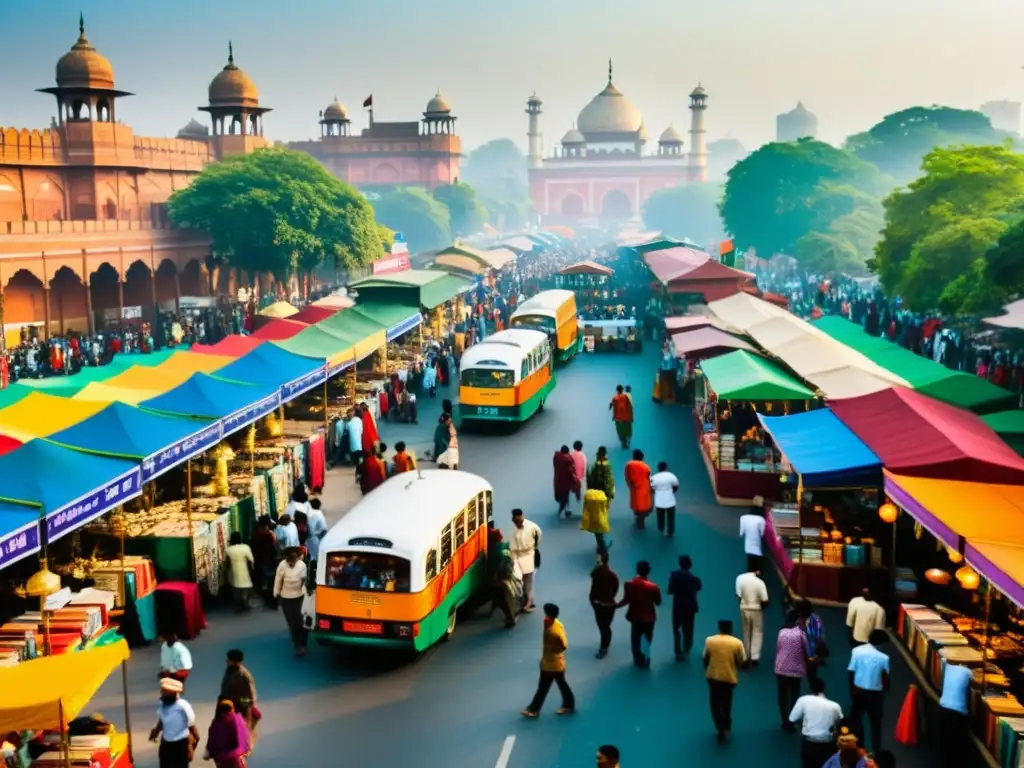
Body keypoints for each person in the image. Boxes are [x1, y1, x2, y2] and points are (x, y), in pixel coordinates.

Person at [521, 603, 576, 718]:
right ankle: (569, 705)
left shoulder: (554, 631)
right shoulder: (552, 623)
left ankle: (533, 710)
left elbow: (564, 645)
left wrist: (554, 650)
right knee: (561, 684)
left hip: (552, 664)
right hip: (551, 662)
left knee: (543, 687)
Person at [703, 619, 746, 744]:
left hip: (713, 677)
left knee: (714, 704)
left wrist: (708, 668)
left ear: (719, 628)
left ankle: (720, 726)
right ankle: (727, 725)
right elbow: (741, 660)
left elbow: (705, 657)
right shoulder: (737, 643)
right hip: (729, 677)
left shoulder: (710, 641)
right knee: (727, 703)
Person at [847, 628, 890, 752]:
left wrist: (852, 690)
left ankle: (859, 747)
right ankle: (876, 750)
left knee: (856, 721)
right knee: (876, 724)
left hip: (858, 692)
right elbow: (885, 676)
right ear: (881, 643)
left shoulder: (856, 651)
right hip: (875, 695)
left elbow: (851, 671)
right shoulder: (884, 658)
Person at [617, 560, 662, 668]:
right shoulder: (653, 587)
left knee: (635, 638)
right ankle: (646, 659)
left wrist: (614, 606)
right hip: (649, 618)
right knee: (646, 639)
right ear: (648, 572)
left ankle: (638, 660)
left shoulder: (629, 584)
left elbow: (626, 600)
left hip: (635, 617)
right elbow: (658, 602)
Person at [789, 677, 843, 768]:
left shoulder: (803, 700)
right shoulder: (835, 706)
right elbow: (839, 721)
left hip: (809, 741)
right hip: (828, 742)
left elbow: (792, 719)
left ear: (810, 689)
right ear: (824, 689)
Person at [150, 678, 200, 768]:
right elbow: (162, 721)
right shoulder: (165, 705)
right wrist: (156, 731)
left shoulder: (183, 706)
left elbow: (191, 725)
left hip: (181, 746)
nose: (162, 693)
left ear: (173, 693)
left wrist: (193, 742)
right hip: (166, 746)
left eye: (164, 691)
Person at [774, 610, 810, 730]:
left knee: (782, 696)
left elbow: (779, 648)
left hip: (781, 668)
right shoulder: (800, 633)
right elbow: (806, 650)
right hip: (795, 670)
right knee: (794, 696)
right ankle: (791, 721)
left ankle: (783, 720)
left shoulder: (781, 632)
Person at [273, 547, 310, 657]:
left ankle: (302, 646)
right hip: (287, 597)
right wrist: (276, 593)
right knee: (293, 624)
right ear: (287, 559)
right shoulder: (282, 565)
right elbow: (278, 580)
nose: (292, 564)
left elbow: (305, 580)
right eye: (290, 562)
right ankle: (297, 645)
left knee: (302, 623)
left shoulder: (302, 565)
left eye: (294, 561)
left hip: (300, 596)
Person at [938, 660, 972, 768]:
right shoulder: (968, 672)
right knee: (957, 749)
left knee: (946, 746)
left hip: (943, 708)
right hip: (957, 714)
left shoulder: (947, 667)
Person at [668, 554, 702, 660]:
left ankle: (678, 651)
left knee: (677, 627)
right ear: (690, 565)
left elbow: (670, 590)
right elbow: (696, 591)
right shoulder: (696, 580)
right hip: (690, 605)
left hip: (678, 605)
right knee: (689, 627)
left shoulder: (674, 575)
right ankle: (687, 647)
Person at [219, 649, 259, 737]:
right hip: (229, 708)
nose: (226, 661)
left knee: (239, 736)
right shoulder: (230, 671)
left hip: (239, 710)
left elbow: (249, 696)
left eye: (229, 660)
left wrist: (245, 714)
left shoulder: (243, 675)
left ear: (235, 662)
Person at [583, 447, 615, 553]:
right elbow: (609, 482)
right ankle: (602, 545)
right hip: (603, 497)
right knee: (601, 519)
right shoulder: (607, 466)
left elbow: (590, 481)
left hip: (593, 496)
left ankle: (600, 542)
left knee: (595, 520)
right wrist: (611, 495)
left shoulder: (594, 466)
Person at [589, 550, 619, 659]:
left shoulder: (598, 572)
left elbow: (592, 577)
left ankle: (604, 647)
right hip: (610, 605)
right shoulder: (612, 574)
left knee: (603, 627)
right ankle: (605, 646)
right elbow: (616, 586)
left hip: (600, 605)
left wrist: (594, 601)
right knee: (606, 626)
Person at [203, 700, 250, 768]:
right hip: (236, 758)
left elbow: (211, 739)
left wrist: (210, 752)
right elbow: (243, 734)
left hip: (221, 760)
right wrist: (246, 749)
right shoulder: (236, 718)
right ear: (232, 708)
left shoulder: (215, 722)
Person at [735, 568, 768, 667]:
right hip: (756, 609)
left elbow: (738, 596)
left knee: (746, 632)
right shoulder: (760, 583)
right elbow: (765, 600)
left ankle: (745, 656)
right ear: (757, 571)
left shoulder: (739, 578)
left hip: (744, 608)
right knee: (757, 632)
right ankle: (754, 657)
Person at [510, 509, 541, 613]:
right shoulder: (515, 530)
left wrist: (533, 548)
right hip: (517, 556)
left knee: (528, 580)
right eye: (515, 521)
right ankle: (524, 598)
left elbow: (538, 536)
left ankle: (529, 603)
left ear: (522, 517)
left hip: (528, 554)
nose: (516, 523)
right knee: (518, 579)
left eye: (518, 521)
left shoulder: (532, 527)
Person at [798, 598, 828, 681]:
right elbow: (820, 638)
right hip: (808, 655)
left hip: (805, 656)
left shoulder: (798, 620)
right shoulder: (816, 619)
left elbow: (820, 639)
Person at [225, 532, 254, 612]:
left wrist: (226, 573)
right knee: (246, 587)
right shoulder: (246, 547)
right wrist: (251, 570)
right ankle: (245, 601)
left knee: (236, 587)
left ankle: (239, 603)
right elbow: (250, 560)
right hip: (245, 570)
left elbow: (227, 563)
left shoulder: (228, 550)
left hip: (234, 570)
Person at [623, 449, 652, 529]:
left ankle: (638, 517)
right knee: (643, 505)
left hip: (635, 489)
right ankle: (641, 519)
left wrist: (630, 485)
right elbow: (649, 477)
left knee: (636, 504)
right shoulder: (645, 466)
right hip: (645, 489)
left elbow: (627, 476)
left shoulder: (629, 464)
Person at [650, 461, 680, 537]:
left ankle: (661, 528)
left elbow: (651, 488)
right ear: (666, 467)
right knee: (671, 517)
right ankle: (671, 531)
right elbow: (676, 485)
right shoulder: (671, 476)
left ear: (658, 468)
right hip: (670, 500)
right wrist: (672, 491)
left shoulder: (654, 477)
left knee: (660, 516)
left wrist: (656, 492)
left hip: (659, 500)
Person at [738, 498, 766, 572]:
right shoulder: (761, 519)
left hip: (748, 548)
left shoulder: (743, 518)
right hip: (757, 549)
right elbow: (762, 534)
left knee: (751, 568)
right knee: (757, 569)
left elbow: (741, 533)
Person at [553, 445, 580, 517]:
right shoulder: (568, 460)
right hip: (566, 481)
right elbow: (571, 471)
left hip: (558, 480)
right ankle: (563, 510)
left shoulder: (556, 457)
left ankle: (564, 509)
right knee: (565, 496)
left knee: (562, 496)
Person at [609, 384, 634, 449]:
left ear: (617, 390)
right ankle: (627, 441)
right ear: (622, 390)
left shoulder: (614, 398)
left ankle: (623, 442)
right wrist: (631, 417)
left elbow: (611, 405)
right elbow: (630, 407)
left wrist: (613, 415)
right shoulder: (626, 397)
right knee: (628, 431)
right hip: (626, 418)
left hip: (618, 419)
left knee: (620, 432)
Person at [305, 498, 328, 565]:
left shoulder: (314, 515)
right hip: (317, 538)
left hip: (314, 538)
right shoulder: (318, 514)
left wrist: (315, 533)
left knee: (314, 556)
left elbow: (322, 528)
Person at [570, 440, 587, 512]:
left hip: (572, 476)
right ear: (581, 447)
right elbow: (585, 466)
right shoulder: (583, 455)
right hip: (581, 477)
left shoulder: (571, 454)